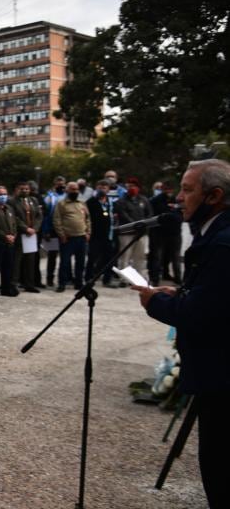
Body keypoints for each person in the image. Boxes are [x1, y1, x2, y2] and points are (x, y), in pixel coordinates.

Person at [131, 159, 230, 508]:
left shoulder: (222, 243)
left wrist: (154, 303)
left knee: (220, 470)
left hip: (221, 378)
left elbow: (203, 316)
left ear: (214, 196)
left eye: (188, 190)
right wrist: (183, 293)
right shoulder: (216, 234)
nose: (179, 198)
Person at [53, 181, 91, 292]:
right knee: (64, 262)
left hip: (82, 237)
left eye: (76, 189)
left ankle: (79, 283)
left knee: (80, 262)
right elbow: (57, 220)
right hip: (67, 238)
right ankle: (62, 284)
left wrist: (88, 232)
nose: (74, 191)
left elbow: (88, 219)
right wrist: (61, 234)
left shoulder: (82, 203)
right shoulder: (61, 204)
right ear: (67, 190)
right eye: (72, 189)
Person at [113, 177, 153, 279]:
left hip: (142, 233)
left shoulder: (144, 200)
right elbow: (123, 215)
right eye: (129, 186)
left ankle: (139, 278)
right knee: (125, 256)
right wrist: (135, 225)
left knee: (140, 257)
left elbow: (149, 214)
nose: (132, 188)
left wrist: (143, 225)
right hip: (126, 233)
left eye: (134, 186)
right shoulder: (121, 201)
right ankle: (124, 278)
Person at [10, 181, 43, 293]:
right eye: (22, 189)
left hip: (32, 234)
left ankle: (29, 284)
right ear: (18, 189)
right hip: (20, 234)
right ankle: (14, 284)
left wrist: (35, 228)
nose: (24, 191)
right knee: (17, 261)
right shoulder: (12, 202)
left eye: (26, 189)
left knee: (30, 260)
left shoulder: (33, 200)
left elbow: (39, 215)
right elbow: (14, 217)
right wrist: (25, 228)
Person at [147, 182, 182, 285]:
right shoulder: (155, 200)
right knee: (157, 256)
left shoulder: (177, 200)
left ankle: (178, 278)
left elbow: (180, 214)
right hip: (159, 233)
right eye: (166, 189)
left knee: (175, 257)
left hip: (174, 233)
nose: (169, 192)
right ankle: (155, 278)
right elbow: (153, 216)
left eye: (170, 189)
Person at [86, 180, 117, 288]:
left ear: (108, 189)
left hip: (108, 235)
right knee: (92, 258)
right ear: (96, 187)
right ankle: (89, 279)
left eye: (105, 187)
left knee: (109, 259)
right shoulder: (91, 202)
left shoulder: (110, 201)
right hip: (95, 235)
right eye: (101, 187)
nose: (103, 189)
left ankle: (107, 280)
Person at [41, 176, 67, 287]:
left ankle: (65, 278)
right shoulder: (49, 197)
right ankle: (49, 278)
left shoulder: (68, 196)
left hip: (66, 230)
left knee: (66, 255)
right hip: (52, 231)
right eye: (58, 184)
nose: (60, 186)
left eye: (62, 184)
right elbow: (46, 216)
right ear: (54, 185)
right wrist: (46, 231)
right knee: (52, 256)